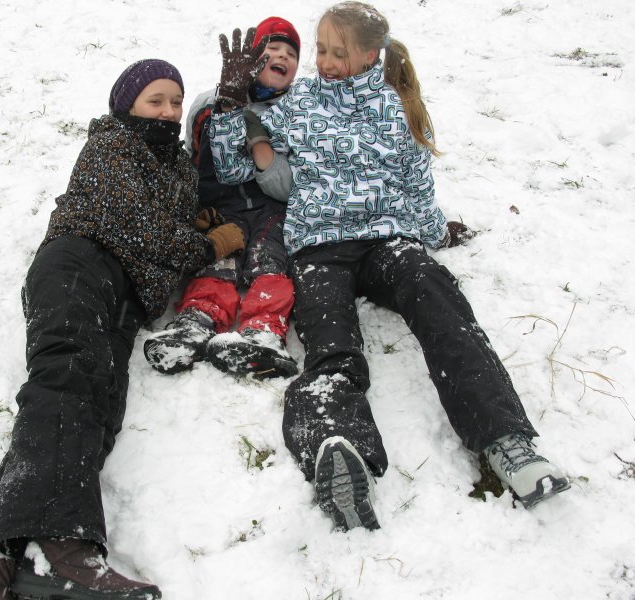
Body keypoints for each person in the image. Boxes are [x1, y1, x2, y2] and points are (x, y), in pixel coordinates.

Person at [208, 2, 570, 532]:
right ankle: (337, 445)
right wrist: (230, 106)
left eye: (338, 52)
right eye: (322, 50)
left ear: (370, 55)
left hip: (387, 242)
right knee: (331, 342)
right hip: (319, 248)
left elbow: (417, 183)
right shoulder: (301, 101)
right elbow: (231, 164)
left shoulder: (393, 106)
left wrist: (433, 235)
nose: (325, 62)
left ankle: (505, 440)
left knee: (440, 302)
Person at [0, 59, 245, 600]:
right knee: (66, 381)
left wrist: (195, 218)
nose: (168, 111)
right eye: (155, 100)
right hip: (78, 265)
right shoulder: (110, 144)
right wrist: (208, 244)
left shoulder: (175, 167)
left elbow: (164, 222)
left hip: (123, 301)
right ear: (126, 105)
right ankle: (65, 551)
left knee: (95, 413)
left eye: (175, 101)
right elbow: (143, 230)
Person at [143, 17, 300, 380]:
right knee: (218, 260)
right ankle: (195, 322)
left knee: (270, 262)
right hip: (222, 207)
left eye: (291, 54)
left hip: (272, 209)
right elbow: (197, 158)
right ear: (250, 57)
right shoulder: (206, 105)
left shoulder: (295, 114)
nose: (282, 56)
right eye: (272, 48)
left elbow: (290, 182)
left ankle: (263, 331)